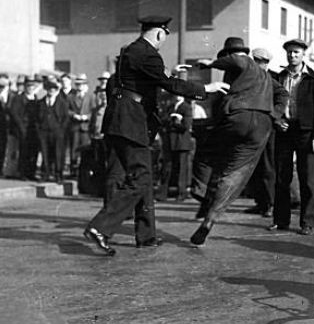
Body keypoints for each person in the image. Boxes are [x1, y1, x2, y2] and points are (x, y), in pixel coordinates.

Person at [84, 16, 227, 255]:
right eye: (164, 39)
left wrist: (168, 73)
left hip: (120, 123)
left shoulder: (131, 52)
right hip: (131, 124)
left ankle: (146, 236)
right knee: (141, 176)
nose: (162, 44)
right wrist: (205, 89)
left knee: (143, 178)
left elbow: (143, 81)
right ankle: (101, 227)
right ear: (160, 34)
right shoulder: (146, 53)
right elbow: (168, 85)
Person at [189, 38, 275, 245]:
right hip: (262, 125)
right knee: (235, 175)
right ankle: (210, 219)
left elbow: (238, 60)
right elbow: (282, 94)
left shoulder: (244, 63)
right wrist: (276, 115)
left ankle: (202, 194)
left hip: (238, 119)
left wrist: (209, 64)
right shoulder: (265, 76)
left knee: (206, 153)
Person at [269, 38, 314, 235]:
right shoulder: (279, 77)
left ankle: (308, 222)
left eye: (296, 52)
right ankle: (281, 220)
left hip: (307, 133)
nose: (292, 56)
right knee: (281, 177)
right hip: (285, 130)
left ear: (303, 54)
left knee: (307, 179)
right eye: (289, 52)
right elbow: (272, 103)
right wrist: (277, 121)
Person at [245, 47, 289, 217]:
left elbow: (282, 96)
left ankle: (270, 203)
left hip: (267, 128)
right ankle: (260, 202)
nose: (256, 65)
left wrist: (274, 116)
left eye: (259, 62)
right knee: (255, 166)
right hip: (252, 127)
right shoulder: (250, 78)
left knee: (268, 167)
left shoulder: (271, 78)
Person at [35, 78, 69, 182]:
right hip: (44, 132)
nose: (51, 90)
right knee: (45, 153)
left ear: (56, 90)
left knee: (58, 153)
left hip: (57, 132)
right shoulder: (41, 102)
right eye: (49, 88)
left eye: (54, 88)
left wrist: (61, 130)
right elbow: (37, 119)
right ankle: (45, 174)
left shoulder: (62, 103)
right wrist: (39, 130)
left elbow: (65, 118)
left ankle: (58, 175)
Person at [10, 76, 39, 180]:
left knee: (33, 152)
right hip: (22, 128)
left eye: (32, 86)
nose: (30, 88)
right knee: (23, 151)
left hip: (33, 129)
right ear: (25, 86)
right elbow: (14, 113)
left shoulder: (36, 98)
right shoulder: (18, 98)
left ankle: (31, 172)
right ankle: (22, 173)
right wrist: (21, 126)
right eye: (28, 86)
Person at [68, 73, 95, 176]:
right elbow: (67, 110)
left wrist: (86, 117)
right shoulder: (71, 97)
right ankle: (73, 170)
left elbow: (93, 111)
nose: (80, 86)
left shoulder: (90, 97)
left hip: (85, 127)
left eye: (82, 84)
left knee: (85, 149)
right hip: (74, 127)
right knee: (73, 149)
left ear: (85, 85)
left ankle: (84, 170)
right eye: (78, 84)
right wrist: (74, 115)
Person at [0, 73, 13, 177]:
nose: (0, 87)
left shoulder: (11, 95)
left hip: (7, 125)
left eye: (3, 85)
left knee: (4, 148)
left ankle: (2, 170)